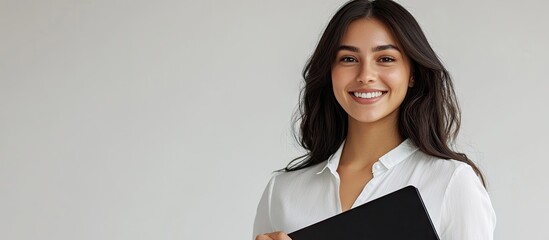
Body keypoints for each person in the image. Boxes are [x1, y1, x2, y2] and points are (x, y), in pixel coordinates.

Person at [253, 0, 496, 239]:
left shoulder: (452, 182)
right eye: (348, 59)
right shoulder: (282, 192)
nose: (366, 76)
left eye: (386, 59)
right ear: (330, 72)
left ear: (412, 73)